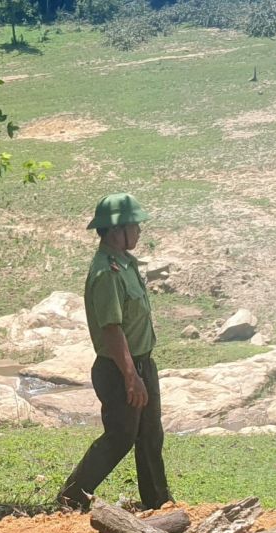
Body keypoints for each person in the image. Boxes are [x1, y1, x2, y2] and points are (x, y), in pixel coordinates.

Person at [57, 193, 170, 511]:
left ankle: (159, 503)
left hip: (141, 364)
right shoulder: (106, 272)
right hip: (121, 368)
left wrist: (140, 371)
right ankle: (71, 496)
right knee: (121, 436)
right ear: (117, 230)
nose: (139, 231)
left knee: (150, 435)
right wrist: (131, 377)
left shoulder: (124, 264)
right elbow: (112, 329)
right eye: (135, 225)